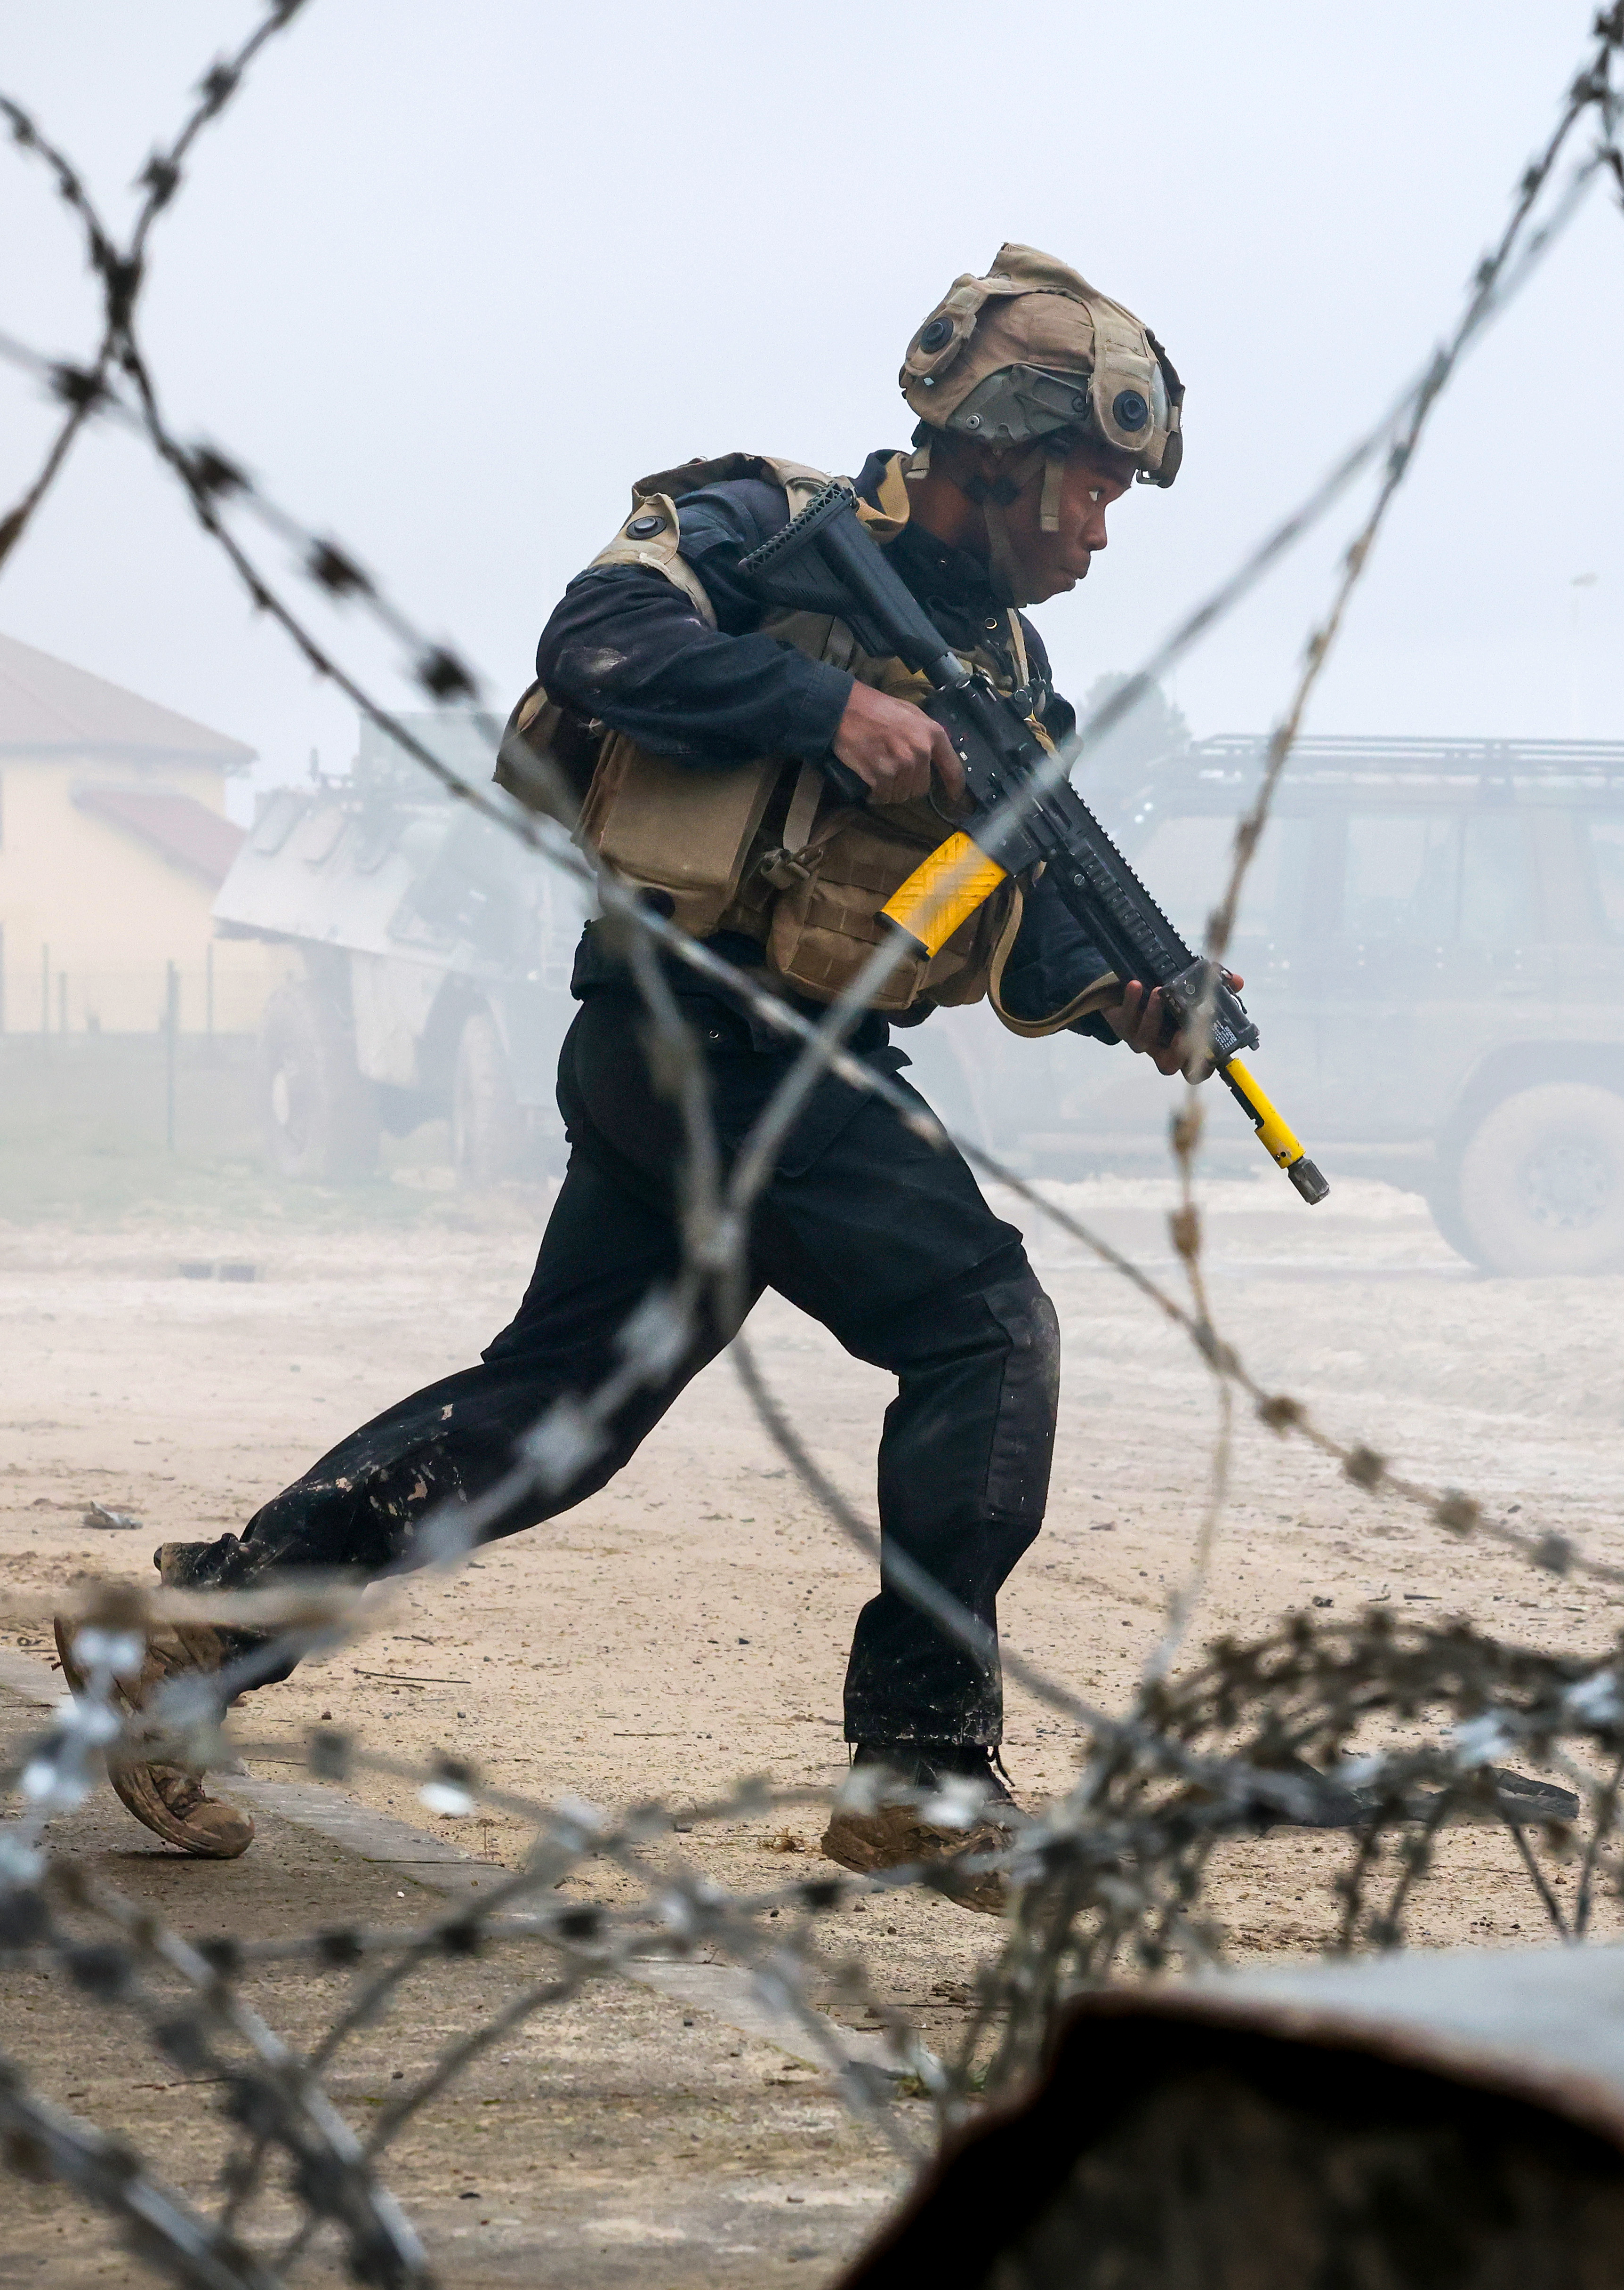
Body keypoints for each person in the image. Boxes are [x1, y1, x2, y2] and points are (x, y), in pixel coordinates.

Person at [64, 247, 1204, 1911]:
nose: (1100, 534)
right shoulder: (757, 522)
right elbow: (595, 642)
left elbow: (1018, 939)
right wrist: (825, 706)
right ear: (1001, 452)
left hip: (769, 1061)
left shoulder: (1019, 687)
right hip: (701, 1037)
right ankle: (924, 1780)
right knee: (982, 1328)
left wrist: (1135, 996)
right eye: (1091, 490)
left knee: (550, 1422)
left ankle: (195, 1646)